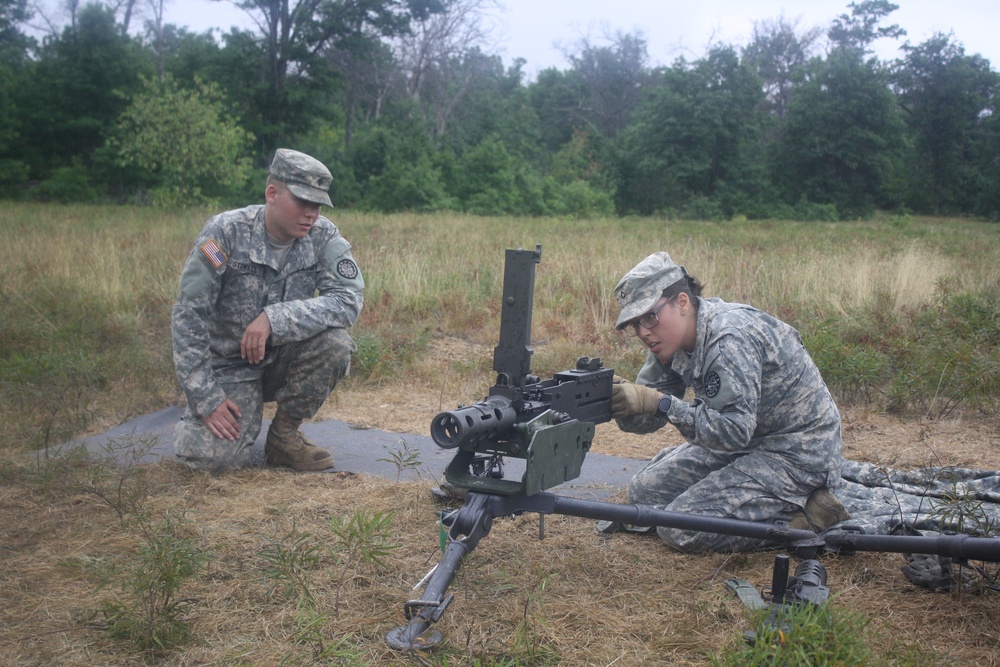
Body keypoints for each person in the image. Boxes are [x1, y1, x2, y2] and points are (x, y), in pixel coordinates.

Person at [610, 252, 849, 552]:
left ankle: (803, 520)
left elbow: (733, 430)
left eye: (650, 316)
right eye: (635, 323)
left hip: (798, 453)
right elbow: (648, 415)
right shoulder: (669, 342)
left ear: (682, 302)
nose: (644, 331)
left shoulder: (728, 338)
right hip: (748, 444)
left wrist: (662, 404)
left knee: (680, 528)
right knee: (643, 493)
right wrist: (617, 402)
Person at [171, 148, 364, 472]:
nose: (311, 213)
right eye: (302, 201)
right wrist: (206, 399)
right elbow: (189, 316)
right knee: (211, 463)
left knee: (336, 344)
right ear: (272, 193)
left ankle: (284, 437)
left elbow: (349, 300)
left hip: (283, 359)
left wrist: (276, 319)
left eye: (317, 204)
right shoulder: (225, 233)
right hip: (230, 365)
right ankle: (198, 421)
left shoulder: (323, 236)